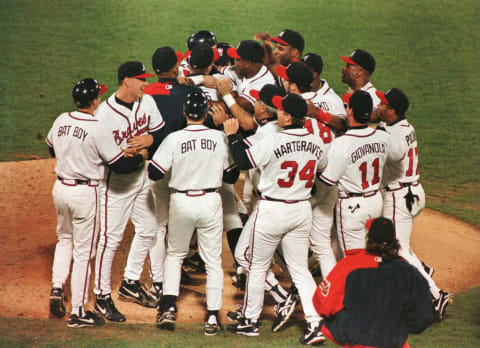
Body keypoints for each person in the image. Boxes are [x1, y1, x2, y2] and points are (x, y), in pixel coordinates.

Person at [225, 94, 328, 345]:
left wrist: (231, 136)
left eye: (281, 110)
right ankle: (315, 324)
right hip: (301, 210)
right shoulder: (317, 142)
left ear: (289, 116)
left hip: (272, 209)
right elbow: (322, 168)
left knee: (257, 266)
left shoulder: (274, 140)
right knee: (300, 270)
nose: (278, 112)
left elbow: (242, 160)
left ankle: (249, 321)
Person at [149, 91, 239, 336]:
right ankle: (212, 316)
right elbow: (231, 176)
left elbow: (154, 173)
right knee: (212, 261)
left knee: (175, 255)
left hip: (181, 202)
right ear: (206, 112)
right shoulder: (220, 138)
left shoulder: (174, 139)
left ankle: (167, 307)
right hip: (210, 201)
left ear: (185, 113)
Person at [93, 61, 165, 322]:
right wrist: (141, 154)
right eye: (140, 79)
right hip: (115, 185)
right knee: (110, 240)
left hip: (141, 179)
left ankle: (130, 283)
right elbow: (114, 163)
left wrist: (149, 142)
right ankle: (101, 296)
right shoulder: (103, 115)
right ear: (126, 82)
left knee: (148, 228)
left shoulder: (146, 102)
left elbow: (159, 131)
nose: (146, 83)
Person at [376, 88, 451, 320]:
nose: (379, 105)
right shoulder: (404, 127)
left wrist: (378, 132)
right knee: (401, 245)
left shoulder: (393, 134)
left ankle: (437, 295)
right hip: (412, 191)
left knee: (396, 248)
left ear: (393, 111)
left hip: (400, 196)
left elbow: (395, 152)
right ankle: (422, 270)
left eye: (383, 104)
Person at [313, 217, 436, 347]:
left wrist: (348, 323)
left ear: (369, 239)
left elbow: (323, 305)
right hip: (394, 343)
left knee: (328, 323)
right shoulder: (409, 271)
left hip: (358, 343)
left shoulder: (349, 265)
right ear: (394, 242)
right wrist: (400, 327)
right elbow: (425, 315)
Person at [143, 46, 203, 302]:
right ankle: (178, 267)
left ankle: (159, 281)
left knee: (159, 225)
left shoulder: (144, 93)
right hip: (185, 167)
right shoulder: (189, 91)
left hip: (155, 165)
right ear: (173, 68)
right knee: (184, 220)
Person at [47, 78, 108, 328]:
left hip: (60, 188)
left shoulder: (62, 119)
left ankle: (57, 286)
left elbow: (51, 147)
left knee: (65, 239)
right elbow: (114, 159)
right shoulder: (98, 126)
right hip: (85, 194)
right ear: (94, 101)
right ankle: (78, 312)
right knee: (84, 253)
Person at [276, 61, 345, 278]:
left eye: (287, 80)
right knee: (322, 242)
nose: (284, 82)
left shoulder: (291, 108)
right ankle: (333, 292)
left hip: (304, 183)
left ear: (294, 86)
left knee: (277, 235)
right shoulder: (331, 100)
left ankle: (298, 286)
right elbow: (344, 126)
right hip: (330, 178)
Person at [318, 91, 403, 254]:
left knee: (354, 259)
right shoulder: (382, 137)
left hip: (352, 207)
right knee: (373, 252)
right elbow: (400, 153)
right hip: (375, 201)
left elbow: (328, 180)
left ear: (349, 111)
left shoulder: (342, 143)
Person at [217, 40, 275, 131]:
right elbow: (218, 72)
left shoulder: (263, 84)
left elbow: (231, 106)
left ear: (247, 63)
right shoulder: (240, 70)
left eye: (237, 59)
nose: (234, 61)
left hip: (255, 131)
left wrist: (225, 94)